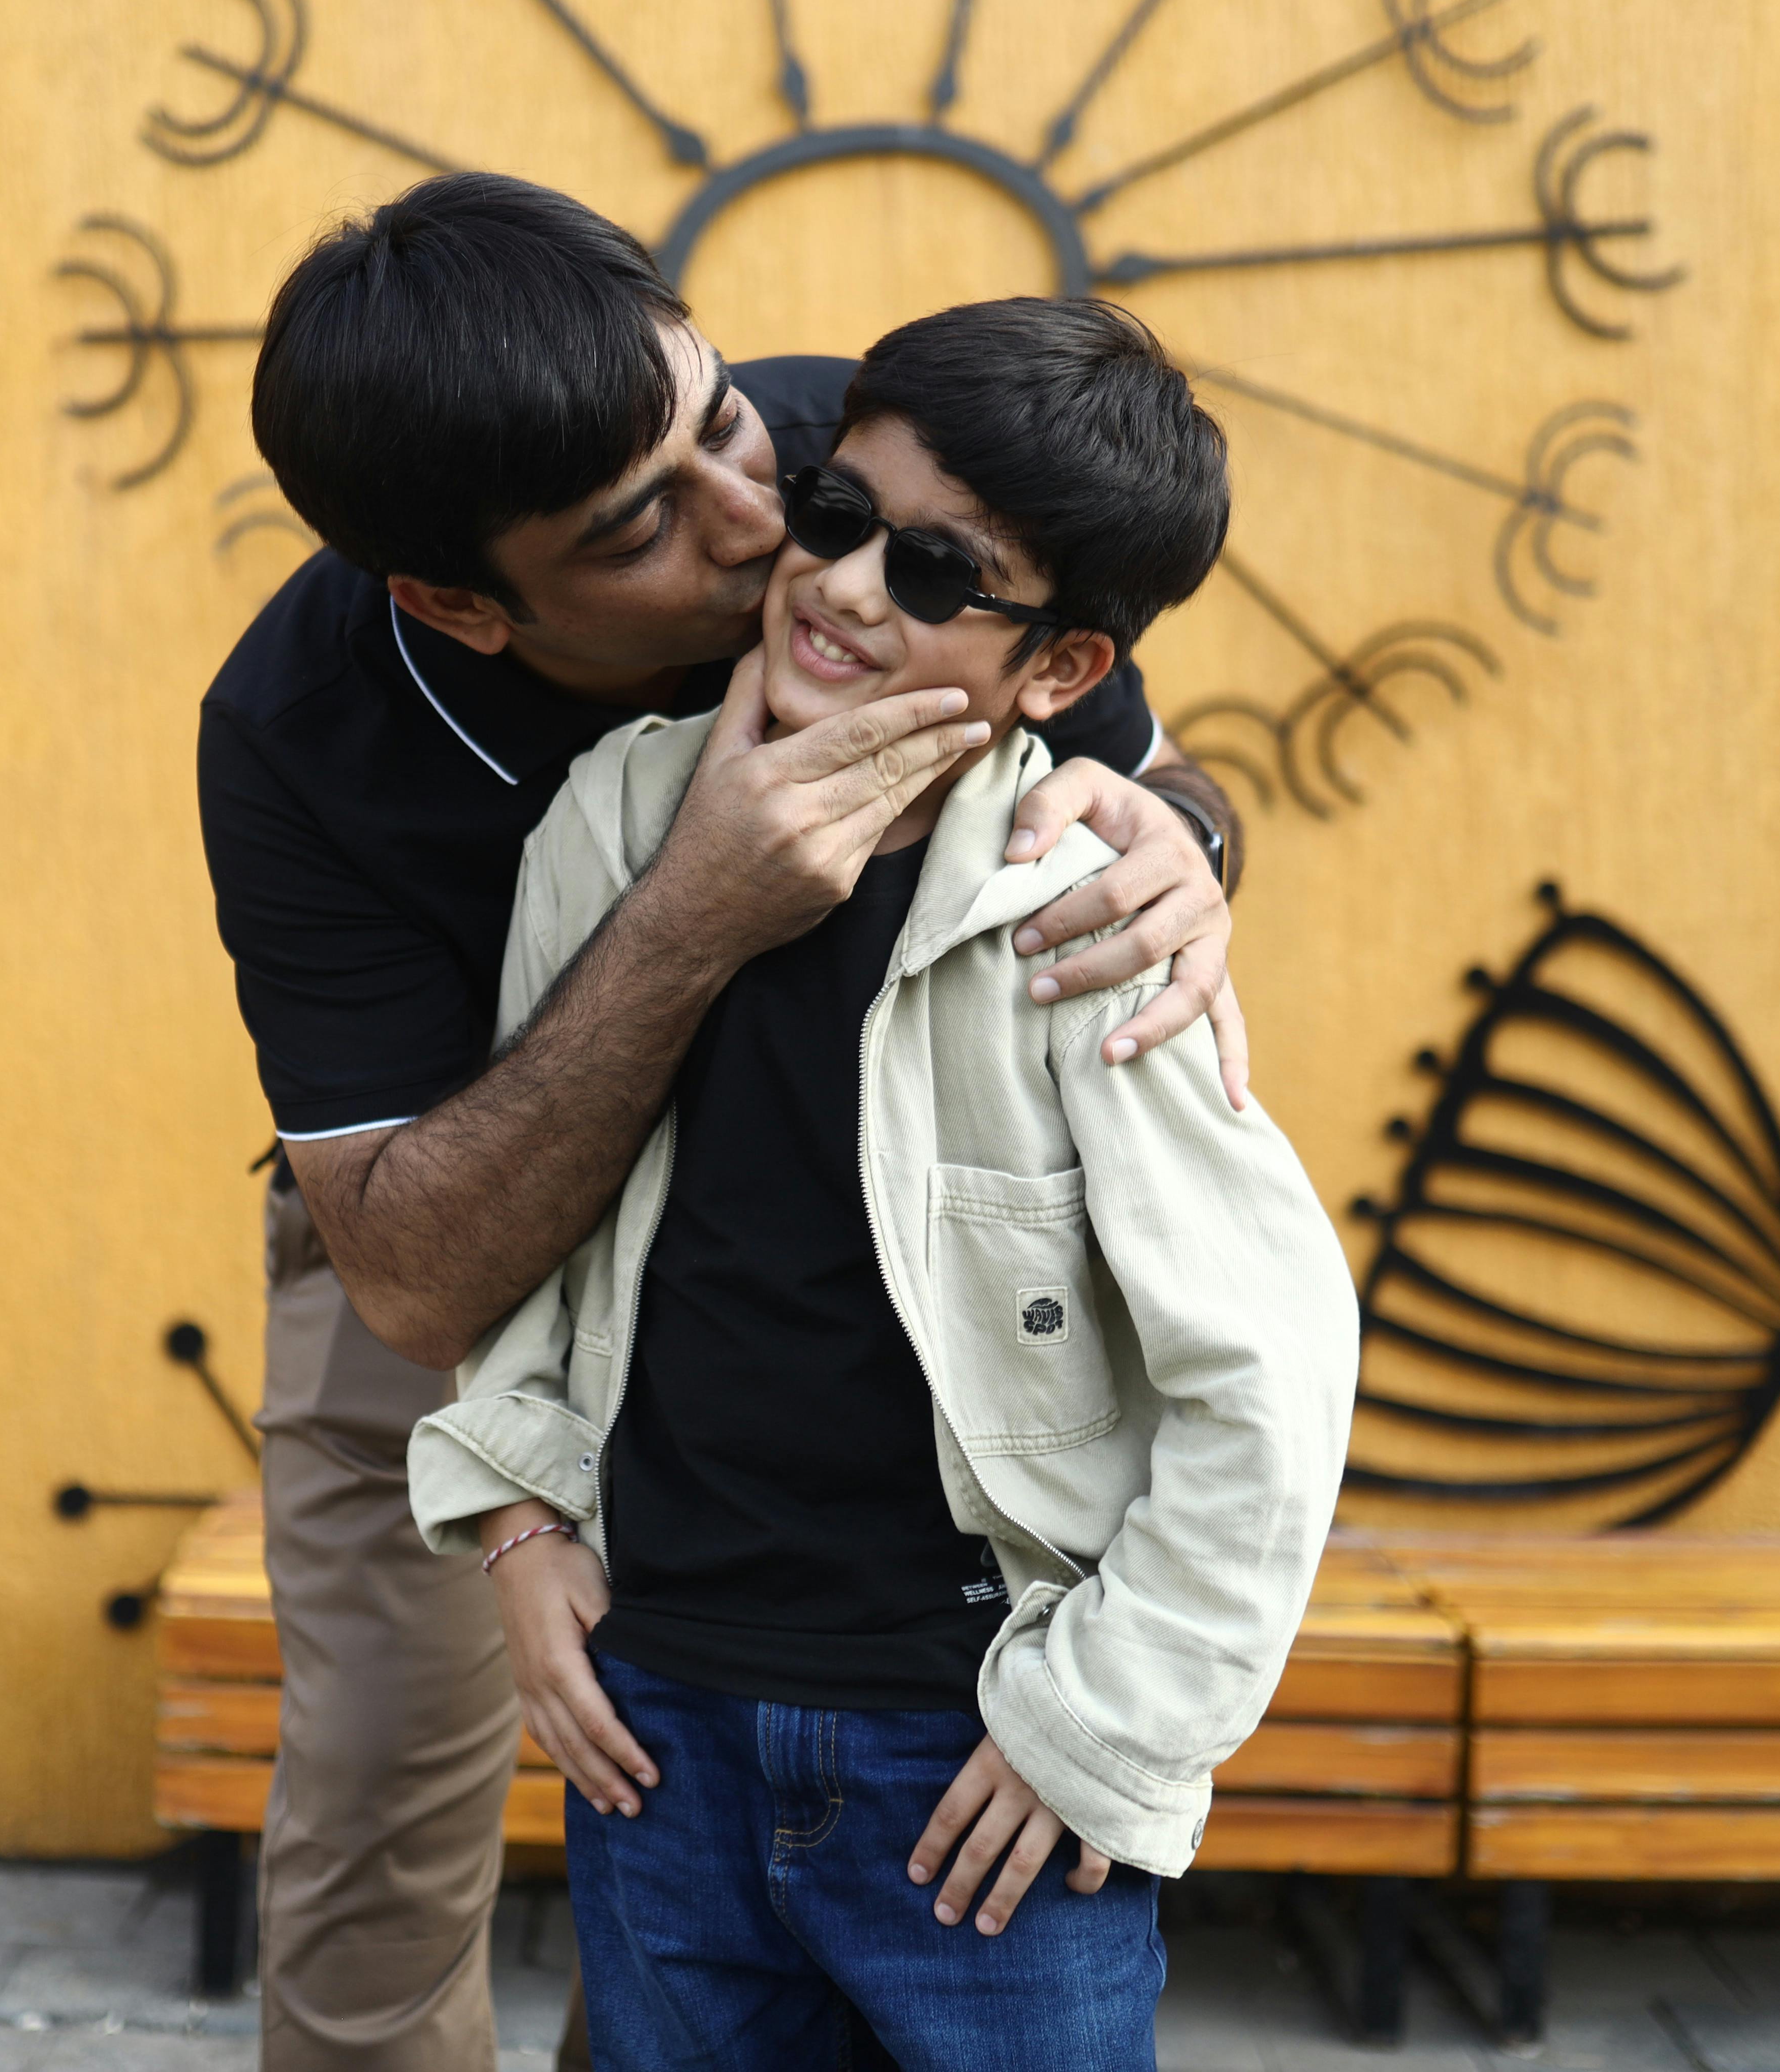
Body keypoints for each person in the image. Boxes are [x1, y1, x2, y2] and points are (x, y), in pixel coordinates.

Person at [200, 175, 1253, 2070]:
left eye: (721, 426)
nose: (772, 532)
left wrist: (1194, 852)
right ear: (461, 600)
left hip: (858, 1258)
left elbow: (1127, 759)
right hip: (457, 1231)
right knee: (375, 1824)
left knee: (684, 1849)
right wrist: (692, 908)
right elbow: (418, 1278)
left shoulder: (862, 467)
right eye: (646, 527)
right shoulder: (305, 734)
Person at [407, 297, 1358, 2070]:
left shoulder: (1075, 903)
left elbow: (1275, 1376)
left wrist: (1106, 1736)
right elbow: (544, 1233)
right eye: (837, 517)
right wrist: (520, 1522)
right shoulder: (611, 824)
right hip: (661, 1721)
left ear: (1061, 672)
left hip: (974, 1761)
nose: (845, 587)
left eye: (937, 574)